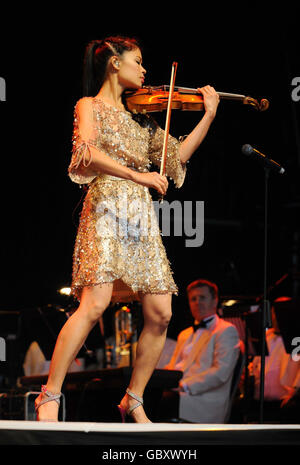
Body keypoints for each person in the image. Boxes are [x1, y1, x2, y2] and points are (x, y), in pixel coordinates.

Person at [34, 36, 220, 422]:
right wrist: (139, 174)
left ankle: (133, 399)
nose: (145, 70)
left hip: (140, 217)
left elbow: (175, 159)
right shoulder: (90, 105)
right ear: (115, 63)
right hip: (106, 207)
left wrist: (208, 116)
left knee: (161, 313)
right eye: (138, 61)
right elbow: (86, 150)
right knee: (95, 304)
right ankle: (49, 395)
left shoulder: (145, 119)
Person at [160, 279, 241, 423]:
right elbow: (173, 367)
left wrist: (184, 385)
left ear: (215, 301)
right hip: (177, 391)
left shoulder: (226, 330)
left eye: (202, 297)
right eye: (193, 299)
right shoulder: (184, 334)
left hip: (201, 398)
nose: (197, 302)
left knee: (160, 401)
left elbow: (221, 372)